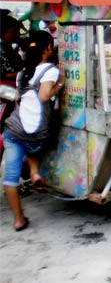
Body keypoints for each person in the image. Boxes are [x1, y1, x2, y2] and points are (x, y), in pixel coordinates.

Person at [3, 30, 66, 232]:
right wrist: (61, 83)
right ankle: (35, 171)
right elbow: (45, 95)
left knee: (10, 178)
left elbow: (18, 100)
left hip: (14, 129)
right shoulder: (50, 70)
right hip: (37, 134)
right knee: (36, 144)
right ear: (48, 48)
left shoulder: (23, 72)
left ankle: (19, 219)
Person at [1, 14, 24, 84]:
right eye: (16, 31)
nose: (18, 34)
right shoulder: (2, 49)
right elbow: (5, 75)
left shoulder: (7, 46)